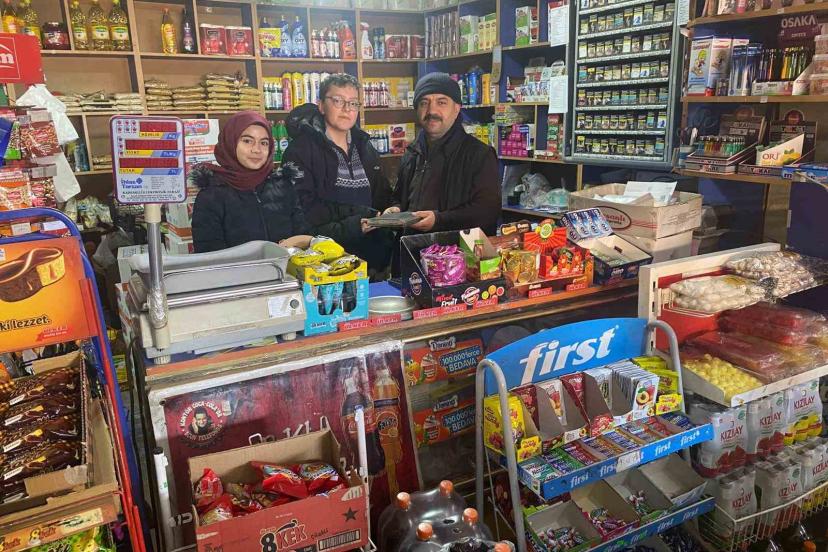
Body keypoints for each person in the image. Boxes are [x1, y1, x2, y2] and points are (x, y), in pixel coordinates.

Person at [282, 73, 395, 273]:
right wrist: (355, 225)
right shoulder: (300, 150)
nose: (347, 109)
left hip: (373, 262)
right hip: (326, 264)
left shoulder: (365, 146)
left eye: (353, 103)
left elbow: (381, 195)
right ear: (321, 105)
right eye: (338, 101)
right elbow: (304, 212)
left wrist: (392, 210)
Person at [386, 72, 501, 237]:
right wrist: (396, 208)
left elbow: (487, 211)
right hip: (409, 248)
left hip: (454, 252)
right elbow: (399, 197)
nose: (432, 110)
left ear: (457, 108)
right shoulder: (411, 153)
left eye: (441, 102)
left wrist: (439, 220)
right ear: (416, 109)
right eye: (424, 103)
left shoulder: (479, 154)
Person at [191, 111, 312, 253]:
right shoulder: (211, 196)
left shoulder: (283, 186)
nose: (257, 150)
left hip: (285, 266)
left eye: (264, 143)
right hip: (238, 268)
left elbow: (302, 237)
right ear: (230, 142)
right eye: (247, 141)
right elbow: (210, 255)